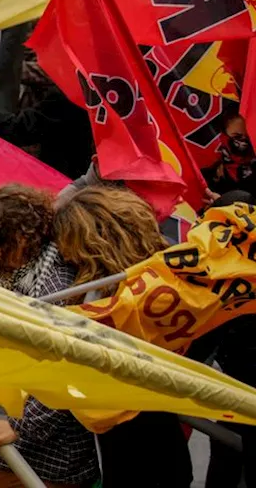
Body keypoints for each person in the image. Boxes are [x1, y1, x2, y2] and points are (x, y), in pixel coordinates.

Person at [53, 185, 189, 488]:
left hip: (131, 438)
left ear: (87, 241)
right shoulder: (162, 271)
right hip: (163, 429)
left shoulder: (101, 298)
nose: (63, 251)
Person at [0, 185, 99, 488]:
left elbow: (67, 371)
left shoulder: (55, 289)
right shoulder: (25, 273)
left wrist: (19, 428)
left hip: (58, 445)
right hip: (39, 431)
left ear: (22, 238)